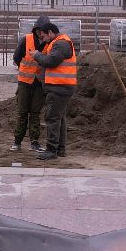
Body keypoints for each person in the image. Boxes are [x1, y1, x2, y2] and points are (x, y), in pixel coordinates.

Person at [33, 22, 77, 160]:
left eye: (43, 36)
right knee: (59, 119)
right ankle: (60, 149)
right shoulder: (58, 43)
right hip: (61, 87)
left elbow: (51, 61)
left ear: (51, 32)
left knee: (52, 118)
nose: (42, 39)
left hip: (60, 87)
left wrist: (37, 55)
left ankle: (52, 149)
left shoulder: (61, 44)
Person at [10, 17, 51, 152]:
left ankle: (34, 142)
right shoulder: (26, 40)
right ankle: (17, 141)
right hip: (25, 82)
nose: (41, 33)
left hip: (39, 83)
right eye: (39, 30)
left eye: (43, 31)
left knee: (35, 113)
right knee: (22, 112)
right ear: (36, 30)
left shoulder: (49, 43)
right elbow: (16, 57)